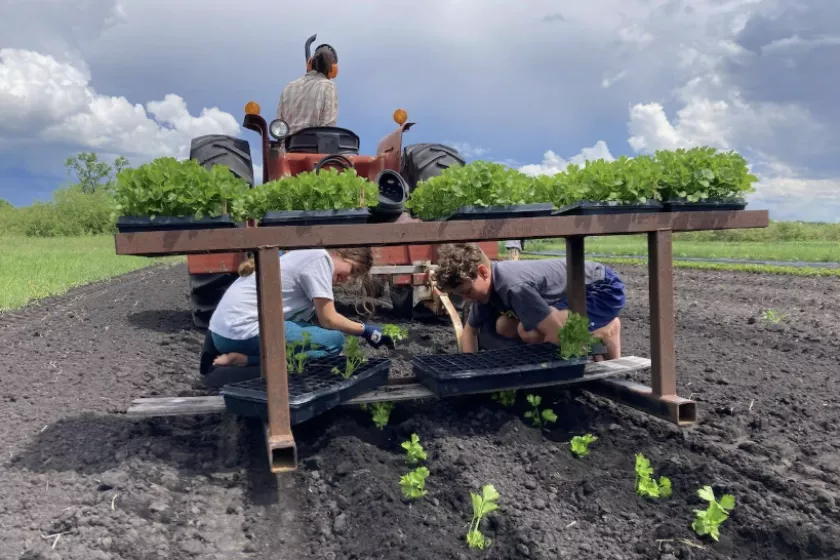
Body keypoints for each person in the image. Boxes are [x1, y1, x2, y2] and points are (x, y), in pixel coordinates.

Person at [434, 243, 625, 359]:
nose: (466, 299)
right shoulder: (484, 291)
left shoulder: (513, 286)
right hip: (565, 295)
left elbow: (554, 333)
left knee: (530, 333)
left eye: (467, 292)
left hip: (599, 289)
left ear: (483, 272)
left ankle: (607, 329)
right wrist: (470, 370)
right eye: (461, 295)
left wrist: (544, 377)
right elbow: (470, 331)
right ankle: (587, 333)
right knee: (504, 325)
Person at [208, 248, 391, 367]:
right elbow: (328, 319)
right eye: (352, 270)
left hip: (223, 333)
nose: (348, 279)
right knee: (334, 340)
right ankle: (249, 361)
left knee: (318, 346)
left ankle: (244, 359)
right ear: (340, 254)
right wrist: (366, 331)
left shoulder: (303, 254)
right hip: (242, 332)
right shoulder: (320, 259)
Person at [275, 43, 339, 137]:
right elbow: (328, 127)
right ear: (332, 69)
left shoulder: (289, 87)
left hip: (288, 144)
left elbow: (279, 124)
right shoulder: (329, 86)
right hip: (314, 144)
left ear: (310, 63)